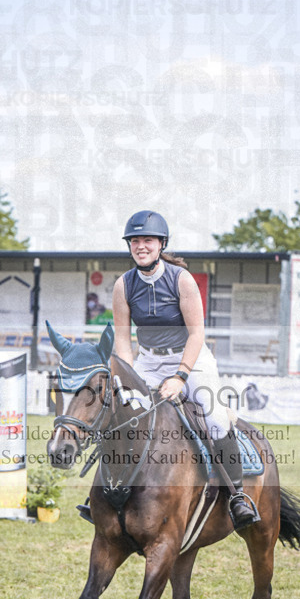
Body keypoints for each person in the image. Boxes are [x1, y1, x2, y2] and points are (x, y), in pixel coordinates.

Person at [111, 209, 259, 530]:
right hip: (148, 361)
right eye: (135, 241)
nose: (141, 246)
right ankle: (113, 489)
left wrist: (180, 377)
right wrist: (124, 375)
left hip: (190, 358)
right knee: (123, 414)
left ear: (161, 244)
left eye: (147, 240)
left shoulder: (182, 280)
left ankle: (237, 495)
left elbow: (197, 334)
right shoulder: (123, 285)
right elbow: (123, 339)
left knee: (215, 416)